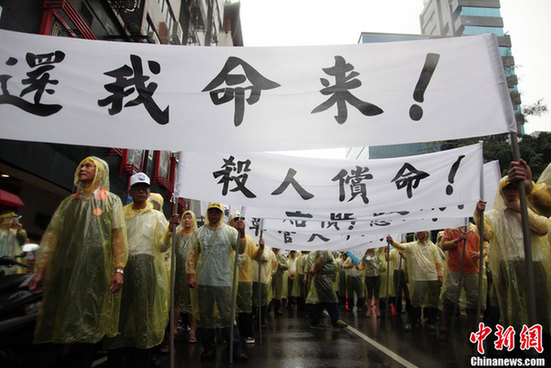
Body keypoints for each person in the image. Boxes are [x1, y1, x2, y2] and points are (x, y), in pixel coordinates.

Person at [28, 156, 128, 368]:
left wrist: (119, 268)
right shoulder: (69, 202)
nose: (82, 168)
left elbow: (118, 236)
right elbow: (52, 237)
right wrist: (42, 269)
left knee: (87, 320)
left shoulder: (111, 201)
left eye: (88, 166)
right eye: (82, 165)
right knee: (57, 320)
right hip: (64, 271)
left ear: (100, 172)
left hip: (95, 272)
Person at [105, 172, 171, 368]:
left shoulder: (157, 216)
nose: (142, 191)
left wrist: (169, 232)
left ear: (149, 192)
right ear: (130, 191)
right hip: (121, 266)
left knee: (143, 310)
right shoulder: (121, 213)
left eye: (145, 188)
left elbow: (161, 247)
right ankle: (116, 354)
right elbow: (113, 239)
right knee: (119, 310)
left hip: (146, 267)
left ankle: (142, 355)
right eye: (138, 188)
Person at [475, 172, 551, 334]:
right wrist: (478, 216)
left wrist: (522, 211)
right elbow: (486, 235)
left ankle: (540, 338)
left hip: (533, 264)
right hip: (507, 264)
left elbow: (543, 229)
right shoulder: (494, 216)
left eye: (515, 189)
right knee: (513, 305)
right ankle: (517, 339)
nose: (512, 192)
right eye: (507, 189)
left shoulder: (531, 209)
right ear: (501, 192)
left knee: (537, 303)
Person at [186, 202, 248, 362]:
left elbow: (240, 249)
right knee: (206, 317)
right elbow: (192, 255)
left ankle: (234, 348)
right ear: (208, 213)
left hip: (225, 281)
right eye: (212, 212)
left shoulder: (230, 231)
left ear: (221, 214)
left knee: (228, 316)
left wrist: (242, 233)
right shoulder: (199, 232)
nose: (214, 215)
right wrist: (191, 275)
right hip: (204, 281)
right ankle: (209, 349)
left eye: (218, 212)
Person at [387, 232, 443, 331]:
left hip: (431, 277)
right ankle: (413, 320)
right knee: (416, 300)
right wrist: (392, 242)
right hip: (418, 277)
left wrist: (440, 276)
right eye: (418, 231)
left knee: (433, 300)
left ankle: (431, 320)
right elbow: (401, 246)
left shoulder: (433, 247)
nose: (419, 233)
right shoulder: (412, 246)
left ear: (427, 233)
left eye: (422, 231)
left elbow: (438, 263)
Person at [438, 222, 484, 341]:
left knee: (473, 300)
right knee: (448, 297)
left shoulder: (476, 229)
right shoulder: (450, 229)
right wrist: (458, 240)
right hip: (454, 269)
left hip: (472, 270)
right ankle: (444, 327)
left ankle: (472, 329)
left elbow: (485, 245)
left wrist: (480, 253)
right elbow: (443, 245)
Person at [229, 211, 260, 345]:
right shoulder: (226, 236)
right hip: (228, 278)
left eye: (240, 219)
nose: (238, 222)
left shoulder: (248, 239)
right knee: (229, 307)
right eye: (235, 219)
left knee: (245, 308)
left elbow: (255, 255)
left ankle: (247, 333)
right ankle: (230, 336)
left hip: (244, 279)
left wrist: (261, 248)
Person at [172, 210, 198, 344]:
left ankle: (192, 330)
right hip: (178, 272)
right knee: (177, 299)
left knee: (192, 301)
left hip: (193, 273)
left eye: (189, 217)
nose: (187, 220)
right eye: (184, 217)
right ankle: (174, 328)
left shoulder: (197, 235)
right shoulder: (177, 234)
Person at [308, 250, 347, 329]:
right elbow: (319, 262)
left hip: (325, 278)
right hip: (324, 279)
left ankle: (314, 322)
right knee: (331, 298)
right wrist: (314, 271)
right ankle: (335, 321)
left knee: (323, 301)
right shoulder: (324, 250)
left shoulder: (326, 250)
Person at [0, 210, 27, 275]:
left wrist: (20, 230)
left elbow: (22, 241)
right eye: (12, 219)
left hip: (12, 264)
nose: (14, 222)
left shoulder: (14, 232)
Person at [362, 248, 384, 317]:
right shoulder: (364, 255)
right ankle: (368, 309)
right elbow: (363, 265)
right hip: (369, 276)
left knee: (377, 293)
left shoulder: (377, 253)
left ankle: (377, 309)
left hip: (377, 275)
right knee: (369, 293)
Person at [271, 247, 289, 316]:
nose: (275, 249)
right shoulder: (269, 254)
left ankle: (276, 310)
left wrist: (280, 265)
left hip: (278, 278)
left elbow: (286, 267)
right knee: (270, 294)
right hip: (270, 278)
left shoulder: (281, 257)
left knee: (278, 295)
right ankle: (269, 310)